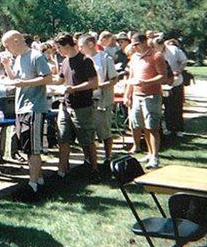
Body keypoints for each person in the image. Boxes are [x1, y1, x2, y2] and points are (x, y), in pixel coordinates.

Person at [1, 31, 52, 202]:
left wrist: (25, 83)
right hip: (21, 107)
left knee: (33, 148)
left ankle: (33, 186)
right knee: (27, 146)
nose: (6, 49)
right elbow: (16, 80)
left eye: (7, 45)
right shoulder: (17, 59)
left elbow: (47, 78)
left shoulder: (36, 56)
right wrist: (7, 66)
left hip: (34, 107)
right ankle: (39, 179)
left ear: (16, 40)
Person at [52, 33, 99, 181]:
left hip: (83, 106)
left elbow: (94, 83)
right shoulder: (65, 62)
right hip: (65, 104)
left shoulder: (85, 61)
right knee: (63, 137)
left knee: (87, 138)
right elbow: (60, 80)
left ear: (67, 45)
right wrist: (45, 83)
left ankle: (94, 168)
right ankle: (62, 170)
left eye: (59, 47)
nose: (58, 51)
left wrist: (74, 88)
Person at [124, 33, 167, 169]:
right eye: (133, 44)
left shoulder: (156, 56)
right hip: (137, 95)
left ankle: (155, 157)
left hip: (151, 95)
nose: (134, 47)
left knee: (152, 126)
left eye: (136, 44)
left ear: (144, 42)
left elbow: (163, 76)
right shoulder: (134, 58)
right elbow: (131, 77)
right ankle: (149, 152)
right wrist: (127, 94)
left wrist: (146, 82)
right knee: (141, 125)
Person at [78, 35, 118, 168]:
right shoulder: (81, 60)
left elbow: (114, 79)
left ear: (90, 44)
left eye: (81, 46)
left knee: (104, 129)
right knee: (86, 131)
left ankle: (107, 157)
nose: (79, 48)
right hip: (85, 100)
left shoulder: (105, 58)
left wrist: (100, 85)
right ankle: (88, 158)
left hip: (101, 100)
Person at [152, 37, 187, 137]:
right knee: (166, 106)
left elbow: (184, 61)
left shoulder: (173, 50)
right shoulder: (154, 52)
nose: (157, 48)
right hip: (162, 83)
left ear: (162, 44)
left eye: (158, 46)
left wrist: (179, 70)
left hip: (175, 82)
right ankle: (168, 128)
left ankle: (179, 129)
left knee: (176, 106)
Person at [0, 34, 16, 164]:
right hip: (4, 93)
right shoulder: (0, 56)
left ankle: (14, 151)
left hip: (17, 93)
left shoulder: (20, 57)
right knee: (2, 123)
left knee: (16, 123)